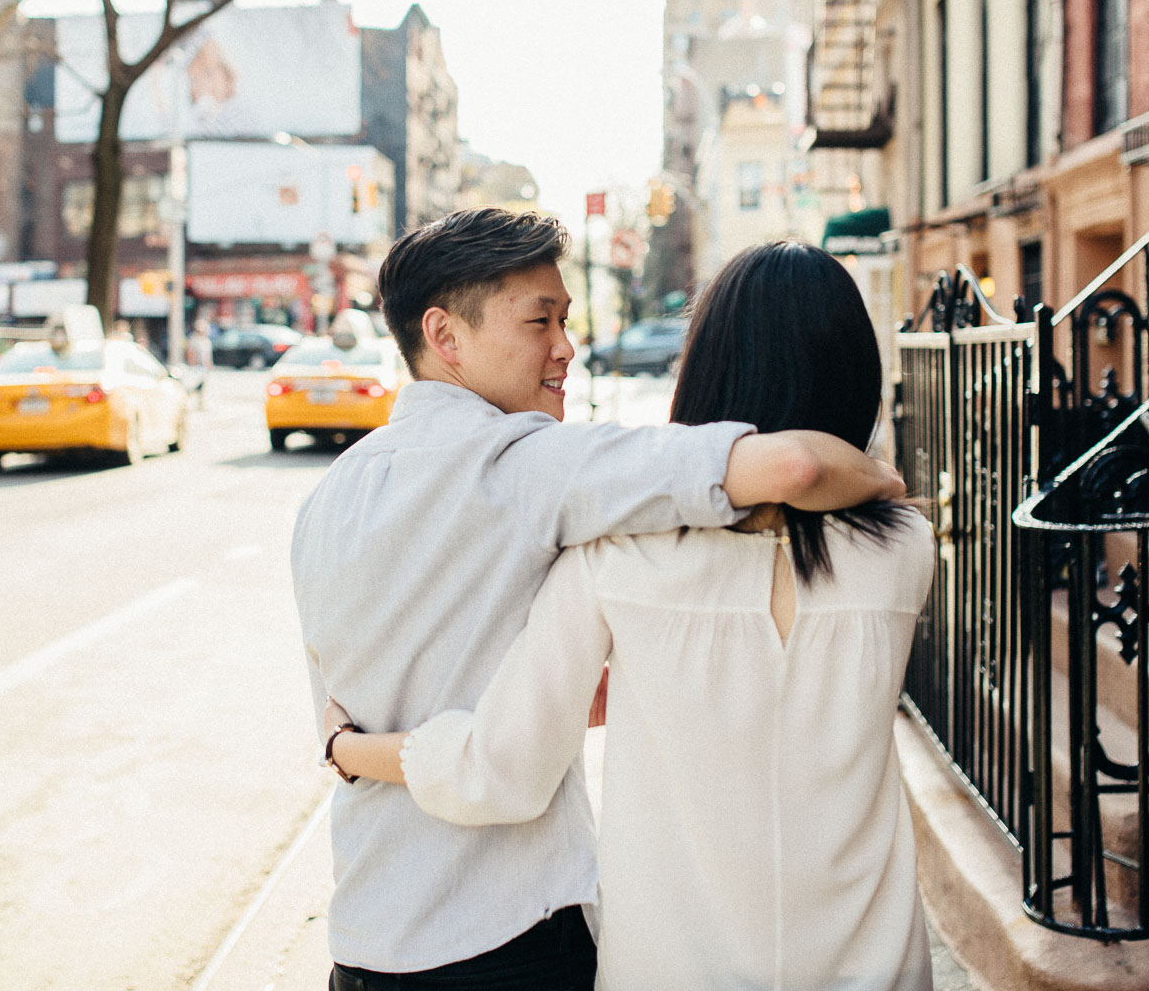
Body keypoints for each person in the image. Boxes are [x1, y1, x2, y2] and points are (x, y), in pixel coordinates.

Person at [291, 212, 905, 991]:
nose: (566, 348)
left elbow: (370, 689)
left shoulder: (327, 499)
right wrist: (885, 484)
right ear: (445, 336)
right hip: (510, 937)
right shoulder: (533, 465)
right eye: (539, 320)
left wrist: (348, 752)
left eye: (566, 320)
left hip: (364, 941)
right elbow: (786, 468)